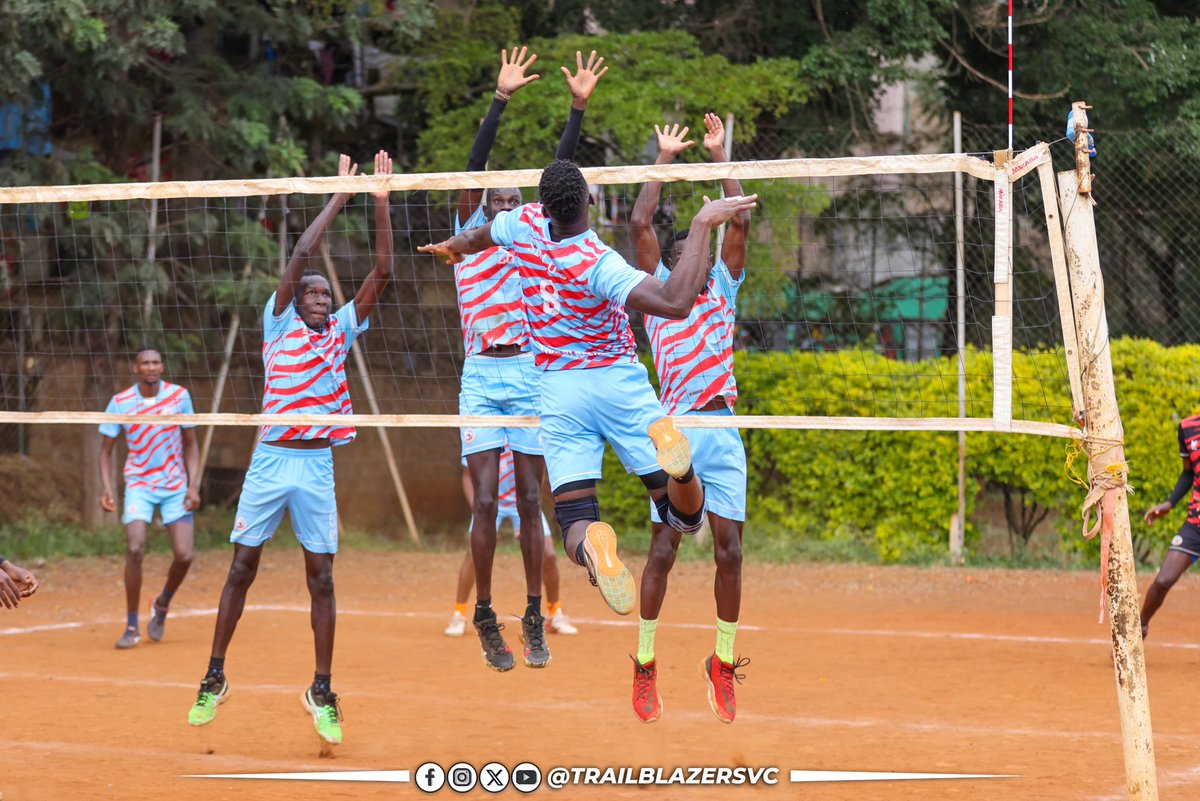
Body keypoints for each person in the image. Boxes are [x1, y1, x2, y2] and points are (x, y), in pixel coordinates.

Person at [420, 159, 756, 629]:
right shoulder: (597, 262)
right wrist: (702, 224)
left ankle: (595, 543)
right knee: (687, 515)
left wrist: (455, 246)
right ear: (591, 202)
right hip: (618, 383)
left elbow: (483, 235)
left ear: (544, 204)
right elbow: (676, 303)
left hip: (558, 391)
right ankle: (676, 466)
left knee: (574, 519)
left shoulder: (523, 224)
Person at [186, 150, 395, 747]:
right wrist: (341, 194)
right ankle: (214, 676)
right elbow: (302, 253)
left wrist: (380, 202)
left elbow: (382, 272)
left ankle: (322, 690)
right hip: (273, 458)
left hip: (316, 465)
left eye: (327, 294)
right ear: (293, 298)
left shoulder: (343, 329)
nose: (321, 297)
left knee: (322, 579)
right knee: (242, 567)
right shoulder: (277, 323)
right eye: (312, 292)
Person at [450, 47, 604, 671]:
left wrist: (577, 107)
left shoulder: (529, 238)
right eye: (499, 198)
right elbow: (472, 165)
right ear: (485, 205)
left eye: (516, 199)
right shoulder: (470, 234)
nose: (508, 204)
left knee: (532, 502)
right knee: (486, 502)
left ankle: (534, 613)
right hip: (482, 376)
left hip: (528, 374)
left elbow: (561, 173)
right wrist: (501, 97)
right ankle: (485, 613)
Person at [627, 115, 752, 724]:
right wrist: (663, 158)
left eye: (700, 256)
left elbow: (740, 218)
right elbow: (640, 224)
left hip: (721, 429)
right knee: (664, 550)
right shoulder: (658, 300)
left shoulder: (723, 289)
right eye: (685, 256)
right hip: (675, 431)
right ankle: (645, 664)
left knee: (729, 552)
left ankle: (722, 663)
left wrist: (719, 154)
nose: (695, 263)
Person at [99, 347, 200, 649]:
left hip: (174, 485)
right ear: (135, 368)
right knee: (134, 548)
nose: (151, 367)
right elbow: (105, 452)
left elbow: (191, 445)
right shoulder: (120, 402)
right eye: (145, 363)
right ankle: (131, 625)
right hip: (139, 484)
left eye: (156, 362)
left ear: (162, 366)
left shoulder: (179, 396)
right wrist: (107, 488)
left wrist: (193, 485)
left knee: (184, 555)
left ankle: (162, 603)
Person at [445, 446, 579, 638]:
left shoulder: (525, 429)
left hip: (523, 502)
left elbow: (539, 472)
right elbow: (467, 476)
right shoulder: (485, 432)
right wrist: (478, 508)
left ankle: (555, 613)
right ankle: (458, 614)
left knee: (548, 553)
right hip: (489, 502)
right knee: (473, 554)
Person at [1140, 411, 1200, 639]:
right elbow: (1188, 472)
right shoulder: (1188, 427)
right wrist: (1169, 502)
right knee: (1163, 580)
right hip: (1196, 523)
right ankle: (1140, 628)